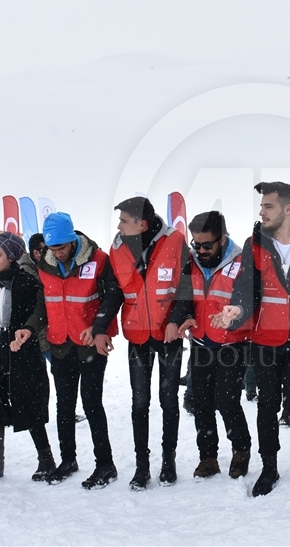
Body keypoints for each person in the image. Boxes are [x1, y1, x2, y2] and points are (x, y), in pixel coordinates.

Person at [215, 181, 290, 496]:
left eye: (268, 206)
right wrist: (236, 308)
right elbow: (245, 287)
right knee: (267, 404)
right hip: (265, 338)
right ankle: (270, 467)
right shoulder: (256, 244)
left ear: (287, 209)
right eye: (262, 206)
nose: (262, 211)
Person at [109, 196, 188, 490]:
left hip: (168, 335)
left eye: (124, 221)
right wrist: (102, 325)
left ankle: (169, 461)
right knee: (139, 402)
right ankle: (142, 466)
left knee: (169, 400)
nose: (118, 226)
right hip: (137, 335)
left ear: (141, 224)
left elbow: (186, 284)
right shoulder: (116, 248)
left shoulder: (175, 241)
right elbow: (115, 292)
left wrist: (175, 319)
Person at [37, 212, 121, 489]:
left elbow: (113, 295)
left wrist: (98, 328)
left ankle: (105, 465)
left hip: (90, 343)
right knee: (64, 405)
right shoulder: (45, 265)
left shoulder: (98, 260)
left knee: (91, 403)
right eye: (52, 248)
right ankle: (68, 460)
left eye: (61, 247)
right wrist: (30, 328)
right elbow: (42, 303)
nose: (57, 253)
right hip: (60, 343)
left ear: (73, 240)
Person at [168, 211, 252, 480]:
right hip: (201, 341)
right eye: (196, 244)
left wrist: (233, 315)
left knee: (226, 401)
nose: (201, 250)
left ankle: (241, 451)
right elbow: (184, 297)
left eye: (207, 245)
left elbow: (248, 300)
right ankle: (208, 457)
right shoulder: (190, 261)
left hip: (233, 343)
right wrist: (185, 316)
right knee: (201, 402)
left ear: (222, 238)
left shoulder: (241, 262)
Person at [0, 232, 55, 481]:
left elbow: (39, 312)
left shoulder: (26, 282)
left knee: (30, 404)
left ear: (12, 257)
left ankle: (45, 458)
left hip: (21, 351)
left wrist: (26, 330)